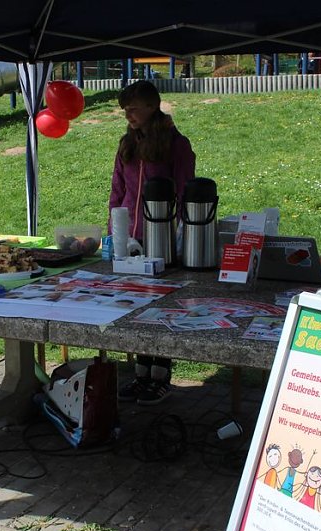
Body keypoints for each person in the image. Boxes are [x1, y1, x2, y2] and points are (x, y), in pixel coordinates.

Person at [109, 80, 195, 405]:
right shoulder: (126, 144)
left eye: (133, 108)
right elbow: (117, 190)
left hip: (163, 236)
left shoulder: (177, 144)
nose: (128, 114)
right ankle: (141, 374)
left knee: (161, 308)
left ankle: (161, 377)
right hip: (130, 237)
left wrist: (182, 231)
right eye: (125, 109)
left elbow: (187, 187)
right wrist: (113, 231)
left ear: (151, 106)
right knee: (136, 307)